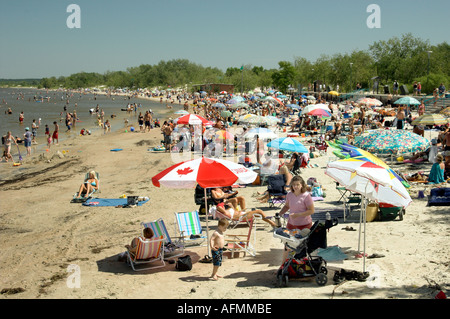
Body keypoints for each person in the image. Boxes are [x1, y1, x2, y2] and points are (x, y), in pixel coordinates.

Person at [278, 175, 315, 260]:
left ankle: (302, 264)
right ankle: (283, 265)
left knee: (303, 246)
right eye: (294, 185)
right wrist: (280, 214)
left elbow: (311, 211)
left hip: (304, 225)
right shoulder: (289, 195)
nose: (295, 186)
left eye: (298, 184)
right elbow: (287, 206)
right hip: (291, 224)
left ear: (302, 185)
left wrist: (298, 215)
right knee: (287, 245)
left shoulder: (306, 196)